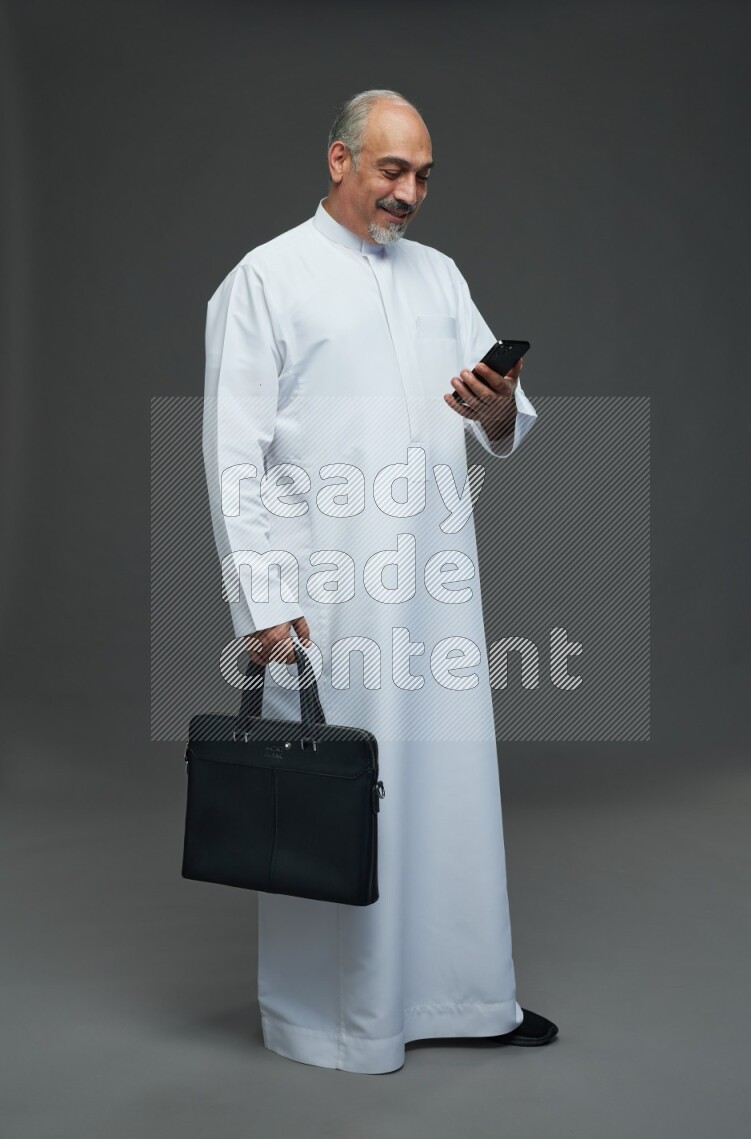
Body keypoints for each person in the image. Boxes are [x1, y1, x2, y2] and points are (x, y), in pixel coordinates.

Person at [202, 88, 558, 1074]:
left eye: (422, 176)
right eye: (391, 169)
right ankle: (338, 1023)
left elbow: (500, 425)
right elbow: (231, 455)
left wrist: (493, 405)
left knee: (443, 790)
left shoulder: (439, 277)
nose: (408, 192)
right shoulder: (266, 279)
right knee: (337, 796)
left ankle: (464, 998)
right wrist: (263, 605)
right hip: (328, 596)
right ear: (339, 160)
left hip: (435, 585)